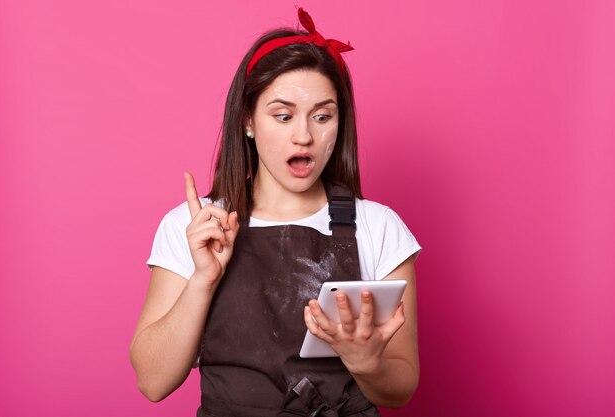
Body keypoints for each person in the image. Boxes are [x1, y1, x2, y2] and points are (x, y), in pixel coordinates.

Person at [130, 8, 421, 416]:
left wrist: (366, 363)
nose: (304, 135)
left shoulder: (379, 227)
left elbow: (401, 388)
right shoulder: (193, 226)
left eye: (323, 116)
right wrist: (203, 280)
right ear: (247, 120)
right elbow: (153, 381)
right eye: (283, 116)